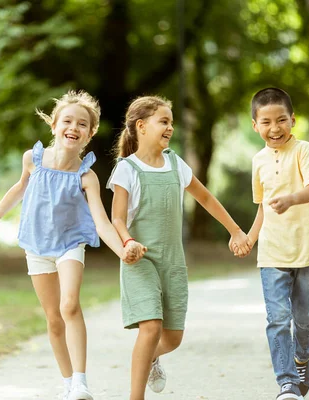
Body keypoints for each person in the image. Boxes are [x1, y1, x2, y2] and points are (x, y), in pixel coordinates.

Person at [0, 90, 146, 400]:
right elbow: (18, 189)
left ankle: (81, 381)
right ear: (53, 125)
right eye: (67, 120)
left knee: (69, 305)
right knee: (53, 319)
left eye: (82, 124)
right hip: (37, 246)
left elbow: (102, 222)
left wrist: (123, 251)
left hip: (70, 244)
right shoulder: (33, 159)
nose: (73, 128)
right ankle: (67, 383)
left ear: (90, 134)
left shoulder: (86, 176)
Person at [107, 95, 251, 400]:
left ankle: (149, 359)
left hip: (173, 262)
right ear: (141, 126)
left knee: (172, 338)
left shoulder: (175, 163)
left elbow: (207, 199)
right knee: (151, 327)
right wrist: (128, 241)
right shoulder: (126, 169)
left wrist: (236, 231)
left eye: (171, 122)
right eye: (164, 121)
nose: (170, 127)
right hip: (139, 259)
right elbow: (117, 218)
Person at [246, 87, 309, 400]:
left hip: (307, 248)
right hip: (272, 251)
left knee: (303, 318)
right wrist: (249, 238)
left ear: (293, 120)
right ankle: (287, 383)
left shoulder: (305, 151)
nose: (275, 128)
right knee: (277, 318)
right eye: (267, 122)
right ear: (255, 125)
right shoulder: (257, 161)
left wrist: (291, 199)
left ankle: (302, 355)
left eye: (281, 120)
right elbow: (262, 208)